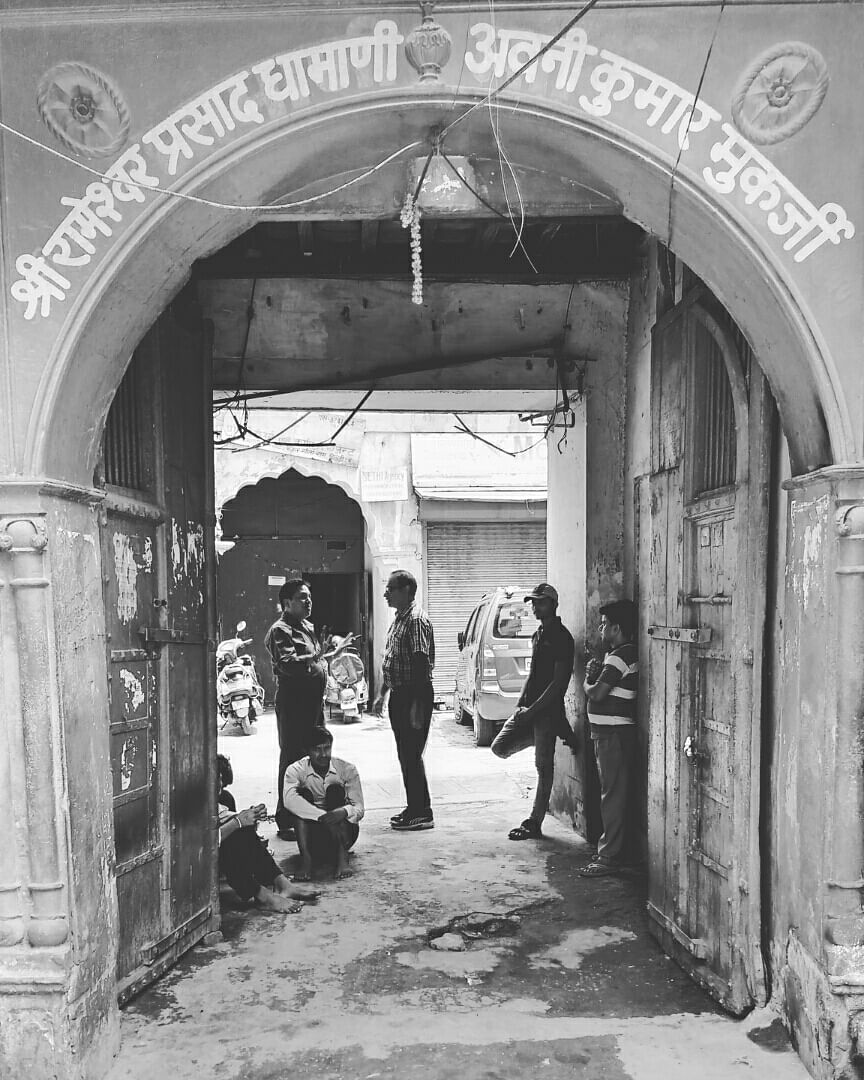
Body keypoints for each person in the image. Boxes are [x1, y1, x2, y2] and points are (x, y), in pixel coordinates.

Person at [264, 579, 354, 836]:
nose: (308, 601)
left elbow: (316, 661)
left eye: (309, 597)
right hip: (294, 704)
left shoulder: (307, 627)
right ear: (287, 603)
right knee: (292, 760)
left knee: (315, 759)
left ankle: (308, 814)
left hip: (314, 704)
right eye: (302, 597)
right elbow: (289, 665)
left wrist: (331, 655)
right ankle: (286, 819)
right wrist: (317, 656)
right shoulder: (280, 631)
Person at [491, 583, 576, 841]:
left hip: (547, 711)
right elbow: (534, 675)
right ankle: (551, 736)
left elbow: (558, 685)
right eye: (533, 602)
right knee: (499, 747)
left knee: (543, 767)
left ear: (552, 604)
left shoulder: (562, 637)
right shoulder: (538, 634)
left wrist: (534, 712)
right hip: (529, 710)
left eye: (540, 602)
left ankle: (534, 821)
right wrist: (519, 706)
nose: (535, 607)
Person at [578, 599, 639, 877]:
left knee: (612, 795)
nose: (601, 629)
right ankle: (612, 848)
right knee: (613, 793)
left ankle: (609, 855)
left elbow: (597, 693)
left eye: (604, 624)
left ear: (616, 627)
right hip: (608, 733)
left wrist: (586, 683)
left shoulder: (618, 656)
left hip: (613, 734)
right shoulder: (617, 655)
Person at [372, 570, 436, 832]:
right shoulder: (399, 619)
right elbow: (394, 661)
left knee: (412, 753)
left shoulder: (416, 620)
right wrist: (382, 695)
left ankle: (423, 813)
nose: (386, 593)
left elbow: (420, 664)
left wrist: (417, 707)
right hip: (400, 694)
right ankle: (414, 807)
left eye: (391, 589)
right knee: (405, 754)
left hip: (414, 694)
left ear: (406, 591)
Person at [216, 752, 317, 913]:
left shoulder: (222, 798)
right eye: (217, 781)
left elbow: (225, 819)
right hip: (197, 859)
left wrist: (250, 817)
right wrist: (238, 822)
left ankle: (281, 883)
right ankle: (262, 896)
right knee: (236, 836)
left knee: (243, 830)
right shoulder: (191, 804)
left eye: (221, 780)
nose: (220, 786)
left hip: (218, 848)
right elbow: (204, 842)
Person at [282, 727, 364, 881]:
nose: (323, 754)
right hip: (311, 835)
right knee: (301, 798)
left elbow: (359, 808)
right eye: (317, 750)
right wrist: (324, 817)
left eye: (327, 748)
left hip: (344, 833)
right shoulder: (295, 770)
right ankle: (306, 860)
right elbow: (289, 800)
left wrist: (343, 812)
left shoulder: (347, 769)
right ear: (307, 751)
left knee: (335, 791)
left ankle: (342, 856)